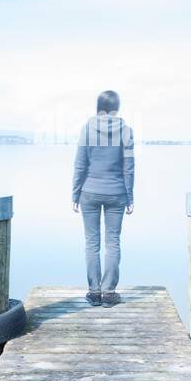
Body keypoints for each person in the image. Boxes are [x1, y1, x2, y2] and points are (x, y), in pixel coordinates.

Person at [71, 90, 135, 305]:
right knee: (113, 243)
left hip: (89, 192)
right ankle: (108, 292)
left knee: (92, 243)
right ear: (117, 108)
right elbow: (129, 167)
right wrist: (130, 196)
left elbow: (80, 164)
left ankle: (94, 292)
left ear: (97, 107)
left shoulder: (87, 129)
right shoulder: (126, 131)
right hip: (117, 193)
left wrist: (75, 193)